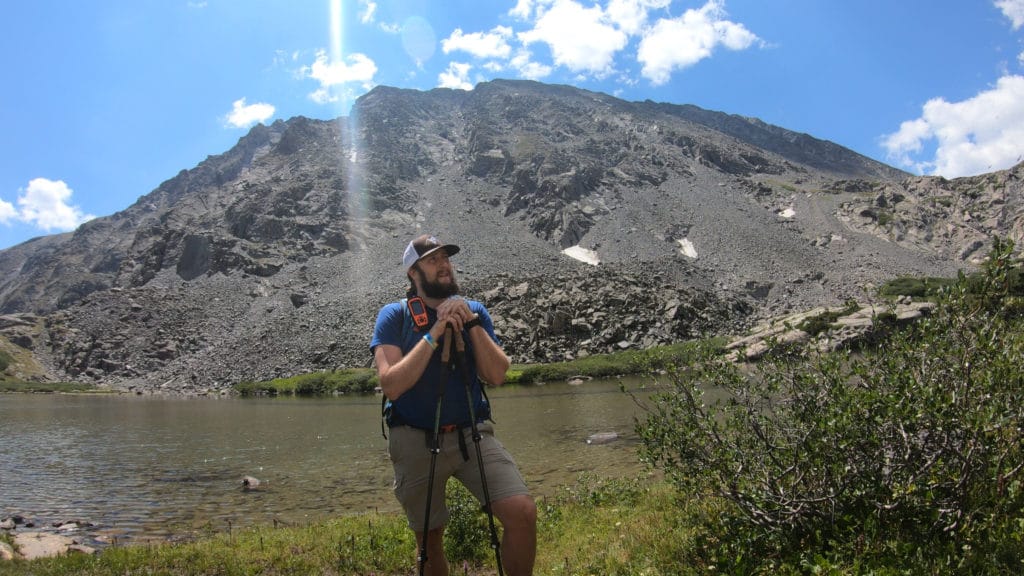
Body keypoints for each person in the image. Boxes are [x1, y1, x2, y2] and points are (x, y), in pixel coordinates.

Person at [370, 234, 537, 576]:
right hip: (414, 437)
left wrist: (469, 322)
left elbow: (497, 374)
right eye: (433, 260)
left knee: (521, 512)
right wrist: (435, 333)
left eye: (446, 257)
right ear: (413, 273)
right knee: (429, 538)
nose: (444, 264)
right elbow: (392, 385)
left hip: (471, 432)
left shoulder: (475, 310)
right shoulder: (393, 316)